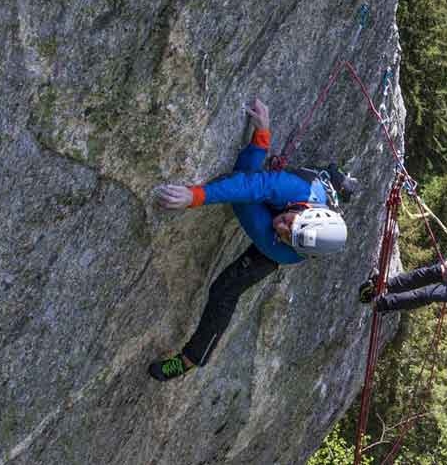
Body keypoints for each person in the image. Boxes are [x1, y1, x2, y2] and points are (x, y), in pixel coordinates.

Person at [147, 97, 349, 382]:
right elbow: (252, 185)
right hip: (302, 196)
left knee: (224, 290)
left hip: (276, 252)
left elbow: (243, 191)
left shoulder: (282, 246)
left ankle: (191, 358)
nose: (281, 228)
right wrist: (195, 195)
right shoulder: (298, 189)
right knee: (259, 186)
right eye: (290, 224)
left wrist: (260, 143)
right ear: (303, 210)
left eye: (288, 236)